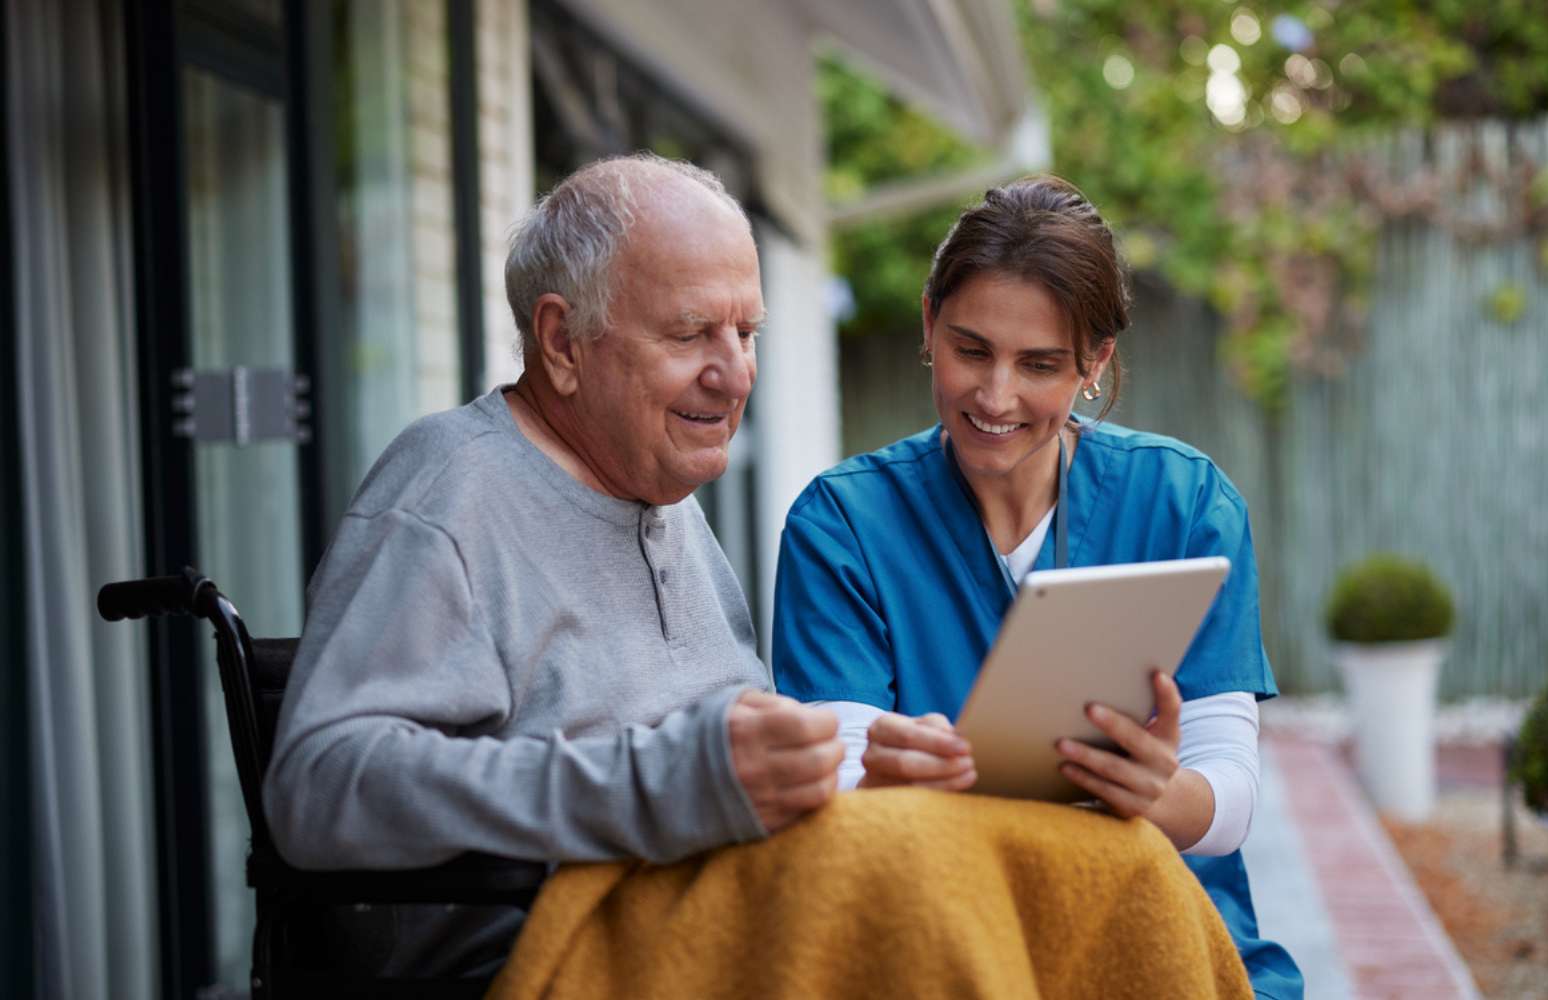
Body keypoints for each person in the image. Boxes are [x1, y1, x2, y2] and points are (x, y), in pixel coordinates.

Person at [262, 153, 843, 975]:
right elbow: (320, 787)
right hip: (550, 959)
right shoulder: (448, 493)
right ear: (563, 343)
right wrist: (656, 787)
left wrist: (840, 758)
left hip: (713, 921)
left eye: (747, 333)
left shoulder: (659, 484)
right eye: (690, 333)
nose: (736, 372)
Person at [771, 175, 1304, 999]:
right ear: (928, 325)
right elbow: (836, 790)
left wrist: (1162, 793)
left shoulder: (1184, 503)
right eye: (971, 349)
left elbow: (1227, 803)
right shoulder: (843, 526)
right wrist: (877, 779)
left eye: (1041, 365)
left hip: (1158, 942)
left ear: (1096, 363)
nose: (995, 396)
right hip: (942, 946)